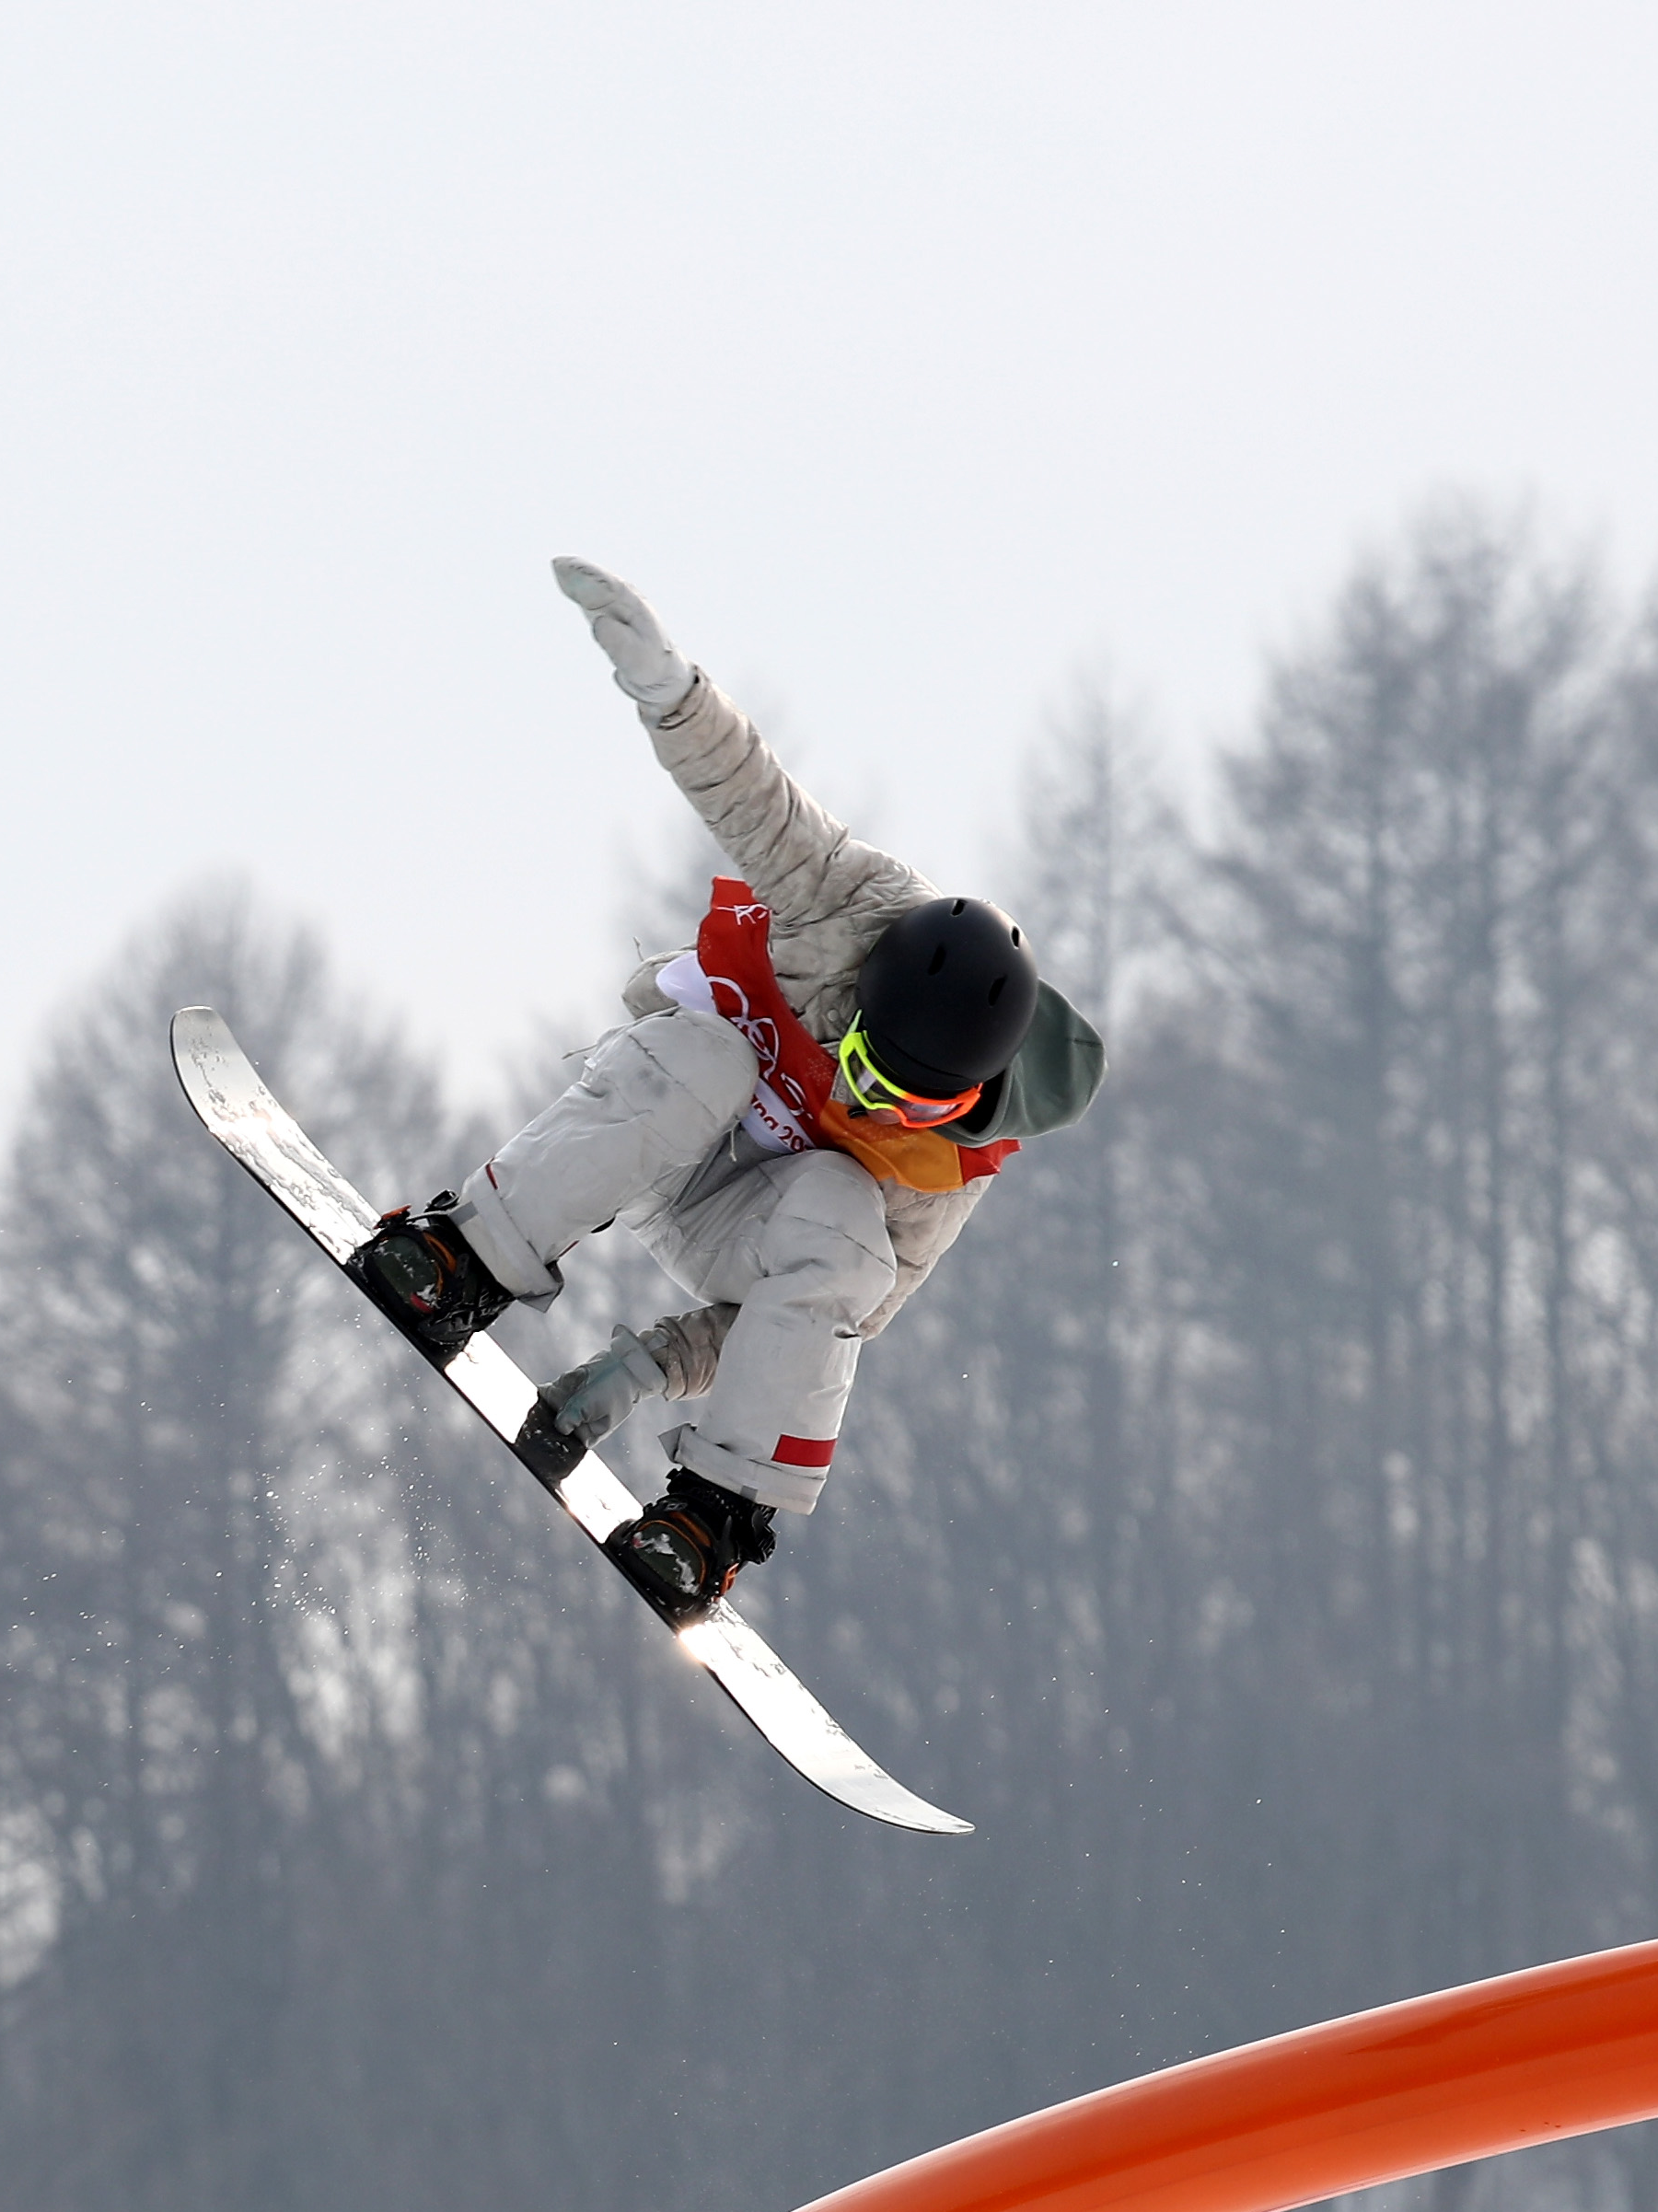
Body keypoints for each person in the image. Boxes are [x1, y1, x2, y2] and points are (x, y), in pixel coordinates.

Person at [347, 558, 1107, 1624]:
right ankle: (462, 1260)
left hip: (741, 1232)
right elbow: (750, 793)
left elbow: (805, 1323)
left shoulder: (939, 1183)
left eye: (908, 1103)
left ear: (967, 1102)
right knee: (714, 1054)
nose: (874, 1106)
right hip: (657, 1127)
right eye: (860, 1064)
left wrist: (644, 1367)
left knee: (847, 1225)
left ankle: (712, 1514)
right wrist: (666, 688)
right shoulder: (843, 901)